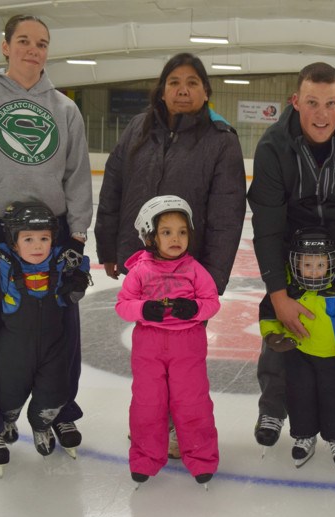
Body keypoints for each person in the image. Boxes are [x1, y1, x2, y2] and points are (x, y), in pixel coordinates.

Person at [0, 14, 92, 475]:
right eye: (24, 41)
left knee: (61, 326)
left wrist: (77, 235)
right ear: (5, 47)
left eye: (41, 43)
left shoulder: (64, 108)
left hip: (53, 233)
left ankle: (59, 409)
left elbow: (76, 175)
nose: (33, 49)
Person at [95, 53, 245, 459]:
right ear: (162, 89)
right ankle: (152, 425)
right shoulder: (138, 128)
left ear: (206, 92)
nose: (183, 89)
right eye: (175, 81)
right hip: (139, 263)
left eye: (193, 82)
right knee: (148, 358)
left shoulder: (221, 139)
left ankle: (181, 427)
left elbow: (228, 214)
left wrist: (212, 277)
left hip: (188, 273)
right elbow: (114, 185)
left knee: (184, 364)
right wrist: (108, 244)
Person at [247, 62, 335, 456]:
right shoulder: (274, 145)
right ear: (295, 102)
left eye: (330, 103)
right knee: (280, 326)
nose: (321, 114)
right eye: (312, 103)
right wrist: (278, 291)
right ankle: (273, 408)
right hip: (294, 251)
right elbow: (268, 224)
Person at [0, 201, 91, 474]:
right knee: (9, 391)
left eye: (44, 238)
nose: (37, 246)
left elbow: (82, 260)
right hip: (14, 344)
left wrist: (79, 276)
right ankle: (7, 419)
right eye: (28, 239)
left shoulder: (58, 257)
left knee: (56, 389)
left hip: (54, 343)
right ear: (14, 242)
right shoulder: (5, 259)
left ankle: (42, 423)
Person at [115, 196, 220, 487]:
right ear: (150, 236)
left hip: (188, 345)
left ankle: (201, 459)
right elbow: (123, 305)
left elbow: (212, 302)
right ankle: (145, 459)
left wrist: (196, 309)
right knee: (148, 403)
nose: (176, 238)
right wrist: (143, 309)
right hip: (149, 345)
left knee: (192, 402)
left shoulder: (195, 269)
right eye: (167, 232)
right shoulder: (140, 271)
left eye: (182, 231)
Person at [259, 227, 335, 472]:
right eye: (307, 265)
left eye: (320, 265)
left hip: (334, 357)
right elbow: (269, 313)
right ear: (296, 264)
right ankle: (304, 435)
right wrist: (272, 335)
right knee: (300, 396)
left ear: (330, 263)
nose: (314, 271)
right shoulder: (286, 283)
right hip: (299, 354)